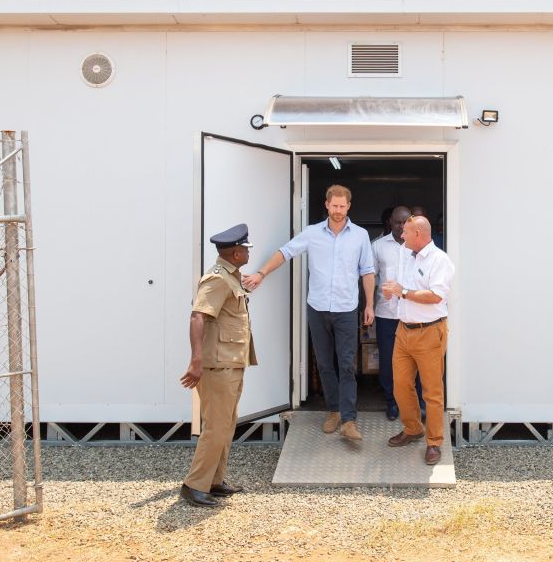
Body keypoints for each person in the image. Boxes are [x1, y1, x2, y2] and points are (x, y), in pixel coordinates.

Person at [242, 185, 374, 442]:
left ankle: (349, 420)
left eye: (342, 206)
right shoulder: (312, 233)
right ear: (326, 205)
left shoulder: (360, 235)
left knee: (346, 365)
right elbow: (285, 252)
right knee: (324, 364)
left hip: (347, 309)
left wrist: (369, 305)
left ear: (349, 206)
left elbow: (367, 271)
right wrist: (261, 273)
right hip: (318, 308)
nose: (338, 211)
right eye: (334, 206)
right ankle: (333, 411)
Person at [179, 223, 257, 508]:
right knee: (215, 427)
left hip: (231, 362)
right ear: (236, 253)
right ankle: (194, 485)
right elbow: (197, 316)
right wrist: (196, 361)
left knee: (226, 425)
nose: (248, 252)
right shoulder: (217, 280)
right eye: (245, 249)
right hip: (217, 365)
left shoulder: (231, 277)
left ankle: (214, 480)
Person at [380, 215, 455, 465]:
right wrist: (392, 291)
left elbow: (436, 296)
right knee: (400, 385)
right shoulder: (405, 252)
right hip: (404, 330)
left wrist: (402, 292)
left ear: (420, 235)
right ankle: (413, 429)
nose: (401, 235)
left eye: (406, 232)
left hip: (430, 332)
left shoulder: (439, 260)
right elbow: (400, 285)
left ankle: (434, 442)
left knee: (432, 392)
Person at [371, 206, 425, 420]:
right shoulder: (378, 247)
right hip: (387, 315)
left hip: (415, 314)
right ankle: (392, 402)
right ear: (389, 223)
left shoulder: (421, 246)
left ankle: (419, 403)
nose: (401, 226)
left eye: (405, 222)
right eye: (397, 222)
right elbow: (370, 278)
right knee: (388, 362)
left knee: (417, 361)